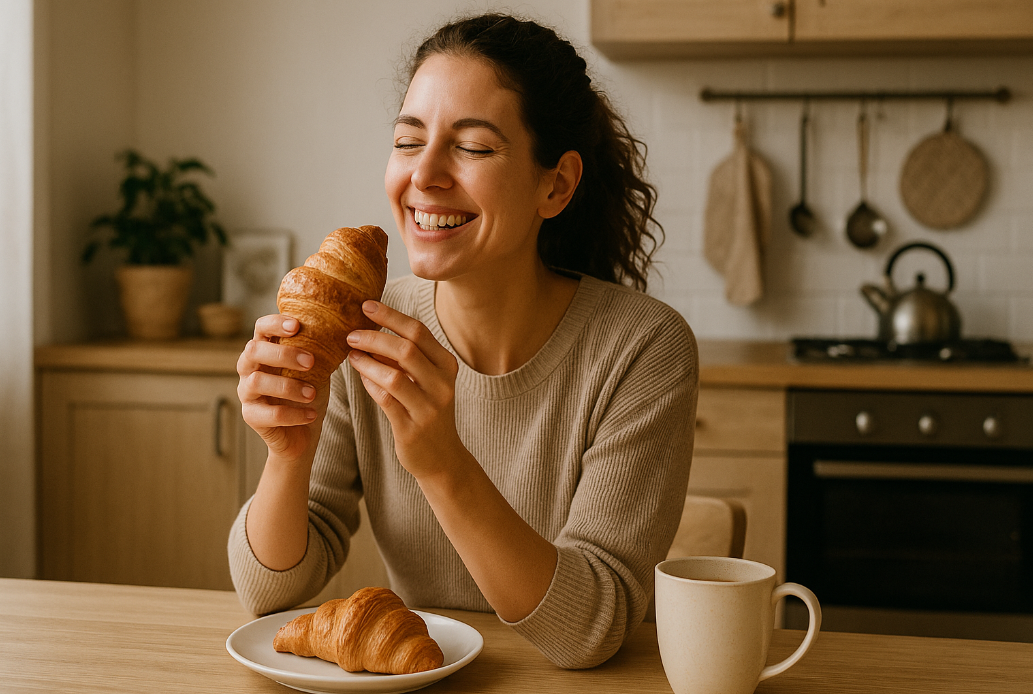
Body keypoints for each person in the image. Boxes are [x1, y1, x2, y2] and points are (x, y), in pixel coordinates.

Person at [229, 13, 698, 669]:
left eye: (473, 148)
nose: (424, 175)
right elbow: (268, 593)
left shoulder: (641, 349)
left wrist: (443, 463)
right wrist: (287, 451)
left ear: (555, 184)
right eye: (406, 141)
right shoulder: (363, 324)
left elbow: (589, 632)